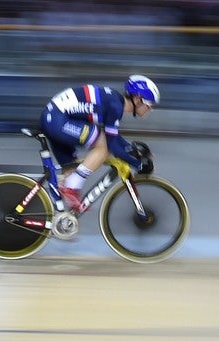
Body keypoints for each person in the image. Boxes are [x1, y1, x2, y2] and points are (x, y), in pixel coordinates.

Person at [40, 74, 159, 236]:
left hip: (56, 118)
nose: (150, 109)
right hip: (57, 120)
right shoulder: (115, 106)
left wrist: (132, 149)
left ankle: (63, 223)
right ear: (138, 99)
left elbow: (113, 136)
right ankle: (70, 186)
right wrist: (138, 164)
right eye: (149, 104)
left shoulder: (114, 101)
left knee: (72, 171)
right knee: (103, 148)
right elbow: (112, 145)